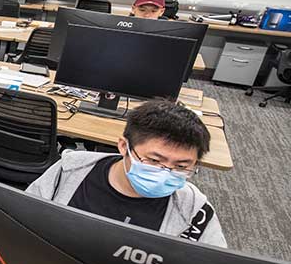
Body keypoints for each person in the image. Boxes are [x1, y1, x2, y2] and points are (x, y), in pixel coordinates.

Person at [26, 99, 225, 247]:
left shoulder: (193, 209)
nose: (166, 172)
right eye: (154, 161)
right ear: (123, 146)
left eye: (182, 166)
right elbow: (23, 219)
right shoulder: (69, 170)